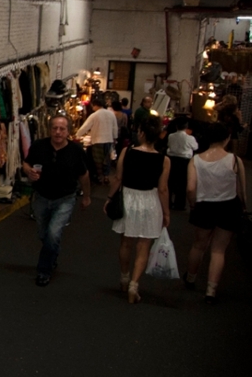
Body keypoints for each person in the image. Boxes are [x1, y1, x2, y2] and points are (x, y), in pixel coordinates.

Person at [104, 116, 170, 304]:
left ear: (140, 133)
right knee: (143, 246)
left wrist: (109, 198)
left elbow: (118, 178)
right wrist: (166, 213)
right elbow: (163, 189)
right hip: (150, 201)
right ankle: (134, 285)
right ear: (158, 135)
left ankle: (124, 279)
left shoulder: (127, 152)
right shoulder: (164, 160)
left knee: (126, 243)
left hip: (129, 199)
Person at [22, 115, 92, 287]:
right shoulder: (39, 146)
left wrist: (87, 196)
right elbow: (26, 163)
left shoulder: (75, 151)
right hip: (41, 197)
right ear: (50, 129)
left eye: (62, 129)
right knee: (43, 234)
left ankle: (43, 271)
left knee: (53, 233)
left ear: (68, 131)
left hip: (65, 199)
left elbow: (84, 175)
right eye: (55, 128)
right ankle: (52, 255)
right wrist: (29, 171)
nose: (58, 132)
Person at [184, 122, 245, 305]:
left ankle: (191, 278)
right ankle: (211, 291)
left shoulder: (196, 160)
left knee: (198, 245)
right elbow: (241, 190)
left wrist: (193, 204)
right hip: (229, 206)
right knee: (219, 250)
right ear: (227, 138)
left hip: (204, 205)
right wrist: (244, 206)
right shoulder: (235, 160)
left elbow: (190, 188)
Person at [75, 95, 119, 184]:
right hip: (109, 139)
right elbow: (115, 127)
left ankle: (100, 177)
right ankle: (106, 176)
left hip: (98, 140)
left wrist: (77, 135)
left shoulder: (94, 115)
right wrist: (115, 137)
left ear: (95, 105)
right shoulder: (111, 114)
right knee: (107, 160)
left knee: (98, 160)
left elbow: (85, 127)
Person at [166, 118, 198, 210]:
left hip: (172, 159)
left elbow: (168, 145)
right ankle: (179, 204)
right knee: (182, 183)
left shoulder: (171, 136)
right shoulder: (190, 138)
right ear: (186, 127)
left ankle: (168, 202)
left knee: (170, 182)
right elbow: (195, 147)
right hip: (184, 161)